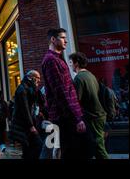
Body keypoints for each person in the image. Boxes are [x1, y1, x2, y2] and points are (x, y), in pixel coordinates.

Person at [41, 28, 86, 159]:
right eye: (62, 37)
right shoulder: (51, 60)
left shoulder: (58, 59)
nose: (66, 40)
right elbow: (61, 91)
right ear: (53, 40)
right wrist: (76, 118)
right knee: (69, 152)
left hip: (65, 116)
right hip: (63, 117)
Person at [70, 52, 108, 159]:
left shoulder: (79, 78)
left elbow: (76, 100)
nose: (71, 65)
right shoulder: (91, 75)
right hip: (99, 115)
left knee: (99, 148)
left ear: (76, 63)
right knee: (95, 146)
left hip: (92, 117)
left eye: (71, 63)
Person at [9, 70, 43, 159]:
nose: (39, 81)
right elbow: (25, 109)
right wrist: (31, 125)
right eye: (38, 78)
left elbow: (35, 103)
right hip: (24, 125)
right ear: (32, 78)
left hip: (27, 124)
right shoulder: (22, 89)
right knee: (38, 145)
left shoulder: (30, 88)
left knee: (28, 148)